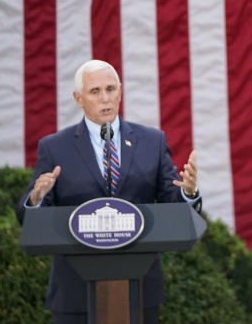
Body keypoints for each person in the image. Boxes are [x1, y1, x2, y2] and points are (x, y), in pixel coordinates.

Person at [16, 59, 201, 324]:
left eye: (111, 89)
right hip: (74, 293)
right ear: (78, 98)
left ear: (121, 92)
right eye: (95, 91)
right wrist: (36, 198)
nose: (105, 98)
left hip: (139, 290)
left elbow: (172, 202)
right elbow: (29, 216)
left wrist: (189, 193)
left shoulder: (152, 141)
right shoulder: (55, 148)